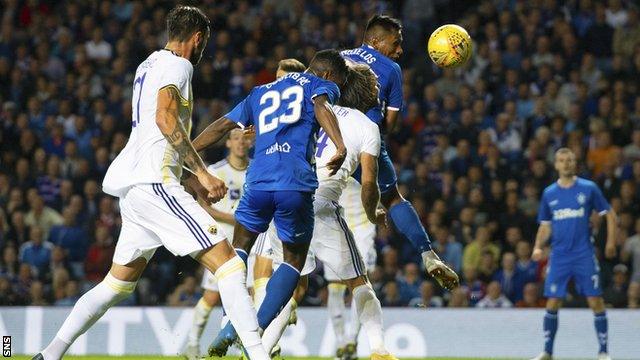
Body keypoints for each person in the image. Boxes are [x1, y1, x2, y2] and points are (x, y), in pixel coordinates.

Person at [33, 6, 270, 360]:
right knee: (231, 265)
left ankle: (49, 354)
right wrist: (203, 172)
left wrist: (187, 173)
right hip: (156, 186)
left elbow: (155, 134)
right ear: (198, 38)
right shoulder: (179, 65)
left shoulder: (149, 64)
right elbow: (164, 118)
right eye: (203, 42)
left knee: (116, 285)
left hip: (137, 188)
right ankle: (259, 355)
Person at [192, 49, 348, 356]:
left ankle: (231, 321)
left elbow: (223, 125)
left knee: (238, 250)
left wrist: (187, 151)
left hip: (258, 182)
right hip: (295, 183)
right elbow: (321, 106)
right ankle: (247, 329)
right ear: (328, 75)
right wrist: (339, 144)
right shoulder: (318, 84)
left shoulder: (259, 91)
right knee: (293, 261)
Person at [258, 63, 403, 360]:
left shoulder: (313, 109)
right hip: (320, 204)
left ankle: (257, 348)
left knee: (292, 283)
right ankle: (379, 350)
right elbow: (367, 183)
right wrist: (372, 210)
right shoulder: (366, 126)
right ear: (364, 91)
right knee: (358, 281)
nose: (379, 91)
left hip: (283, 199)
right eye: (375, 87)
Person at [341, 15, 458, 291]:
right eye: (395, 43)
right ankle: (428, 255)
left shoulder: (336, 57)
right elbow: (389, 125)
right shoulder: (391, 69)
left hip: (329, 135)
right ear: (375, 41)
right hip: (366, 137)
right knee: (393, 198)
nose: (400, 50)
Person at [530, 148, 617, 360]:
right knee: (552, 302)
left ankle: (603, 352)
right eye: (562, 160)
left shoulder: (588, 188)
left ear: (575, 164)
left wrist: (611, 242)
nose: (567, 163)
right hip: (559, 256)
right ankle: (547, 352)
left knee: (595, 300)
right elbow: (545, 225)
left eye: (570, 160)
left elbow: (610, 214)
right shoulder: (549, 193)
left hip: (583, 254)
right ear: (556, 165)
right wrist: (537, 246)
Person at [182, 128, 250, 359]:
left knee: (250, 294)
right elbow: (204, 207)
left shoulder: (256, 170)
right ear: (228, 144)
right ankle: (192, 343)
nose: (241, 143)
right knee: (211, 297)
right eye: (236, 139)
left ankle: (246, 346)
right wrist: (237, 219)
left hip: (250, 241)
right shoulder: (215, 171)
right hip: (221, 241)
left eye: (245, 139)